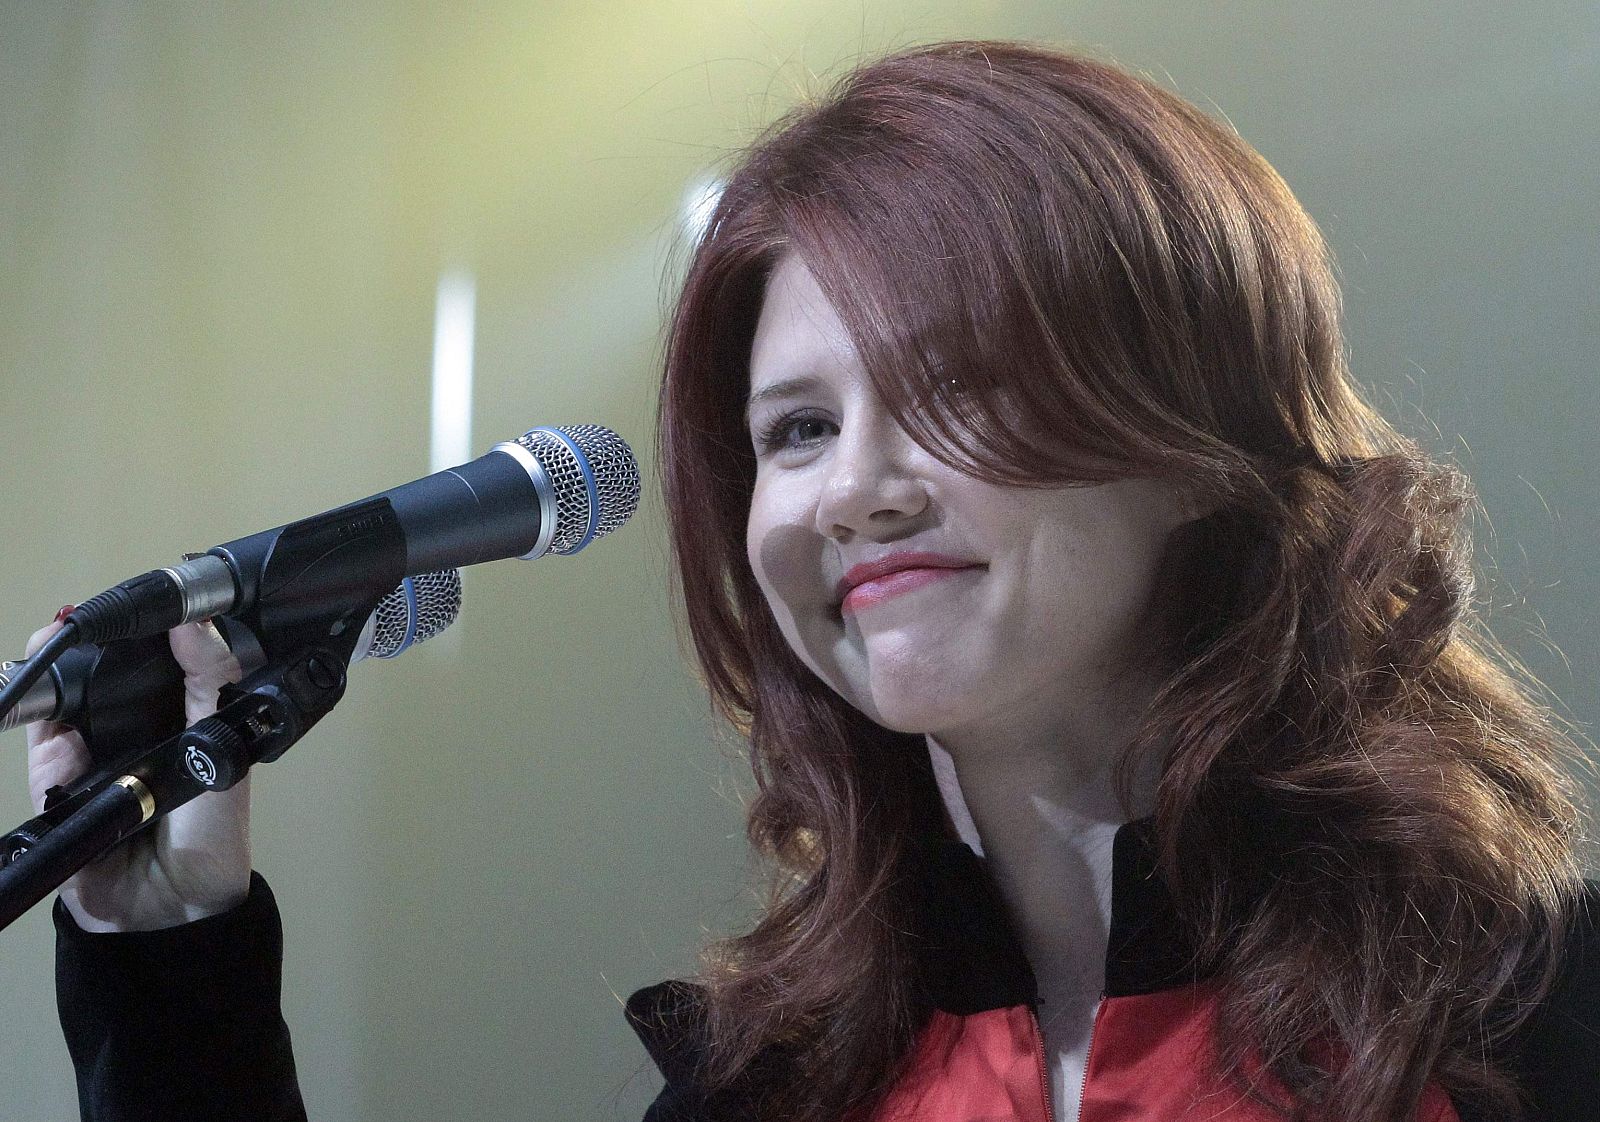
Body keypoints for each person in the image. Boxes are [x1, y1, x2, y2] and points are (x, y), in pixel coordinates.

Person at [26, 39, 1599, 1122]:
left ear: (1194, 437)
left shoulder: (1526, 1001)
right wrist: (173, 968)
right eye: (795, 428)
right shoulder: (777, 1079)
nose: (855, 486)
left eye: (956, 384)